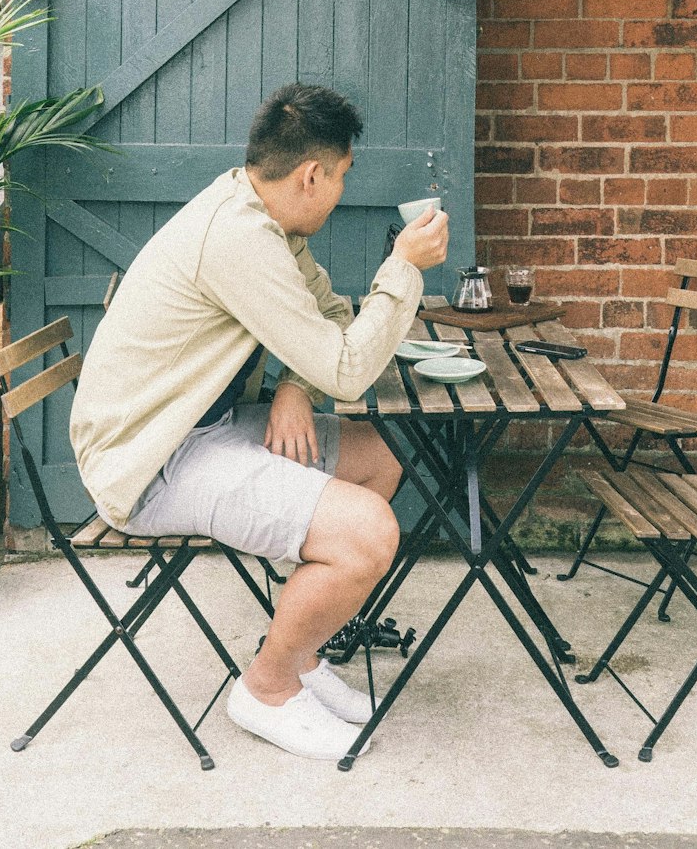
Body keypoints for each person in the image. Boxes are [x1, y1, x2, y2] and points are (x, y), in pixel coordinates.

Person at [70, 83, 449, 760]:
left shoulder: (265, 217)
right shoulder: (238, 238)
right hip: (150, 461)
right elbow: (350, 370)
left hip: (199, 430)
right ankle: (268, 688)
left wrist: (292, 389)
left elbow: (331, 322)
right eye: (340, 177)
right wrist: (403, 269)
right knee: (368, 533)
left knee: (378, 457)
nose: (338, 194)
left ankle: (299, 654)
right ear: (311, 175)